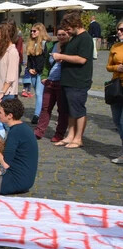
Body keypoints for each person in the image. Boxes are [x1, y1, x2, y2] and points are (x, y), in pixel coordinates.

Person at [52, 12, 93, 149]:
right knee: (69, 110)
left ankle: (78, 138)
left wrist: (61, 56)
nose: (67, 31)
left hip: (78, 81)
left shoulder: (85, 38)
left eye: (68, 28)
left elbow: (82, 59)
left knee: (78, 110)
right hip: (68, 80)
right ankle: (70, 135)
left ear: (76, 24)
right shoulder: (74, 38)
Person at [34, 28, 70, 142]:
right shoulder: (52, 45)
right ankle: (39, 131)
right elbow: (46, 63)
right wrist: (44, 76)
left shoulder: (70, 47)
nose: (61, 37)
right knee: (45, 107)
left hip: (62, 81)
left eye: (63, 34)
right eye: (59, 34)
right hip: (50, 80)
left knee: (62, 110)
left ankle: (59, 133)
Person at [107, 20, 123, 163]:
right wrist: (115, 68)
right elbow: (108, 66)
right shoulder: (115, 47)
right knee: (117, 120)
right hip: (117, 87)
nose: (119, 32)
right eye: (118, 29)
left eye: (122, 30)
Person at [25, 23, 48, 124]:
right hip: (33, 71)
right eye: (31, 31)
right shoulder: (31, 43)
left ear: (40, 32)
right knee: (38, 93)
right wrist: (29, 68)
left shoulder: (44, 43)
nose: (32, 33)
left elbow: (45, 60)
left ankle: (37, 115)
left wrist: (38, 70)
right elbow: (29, 58)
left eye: (34, 31)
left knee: (39, 93)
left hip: (41, 72)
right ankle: (41, 111)